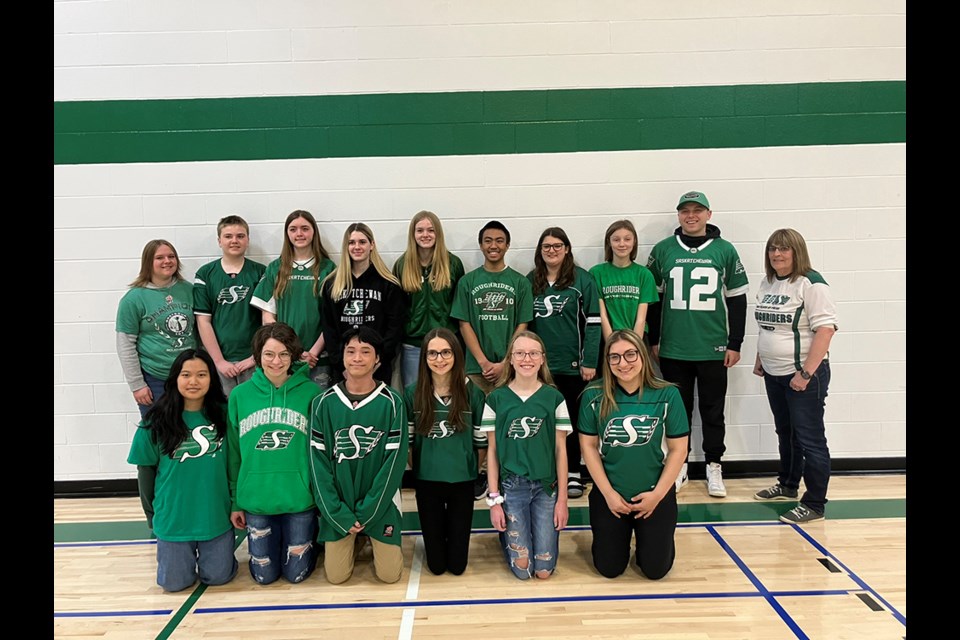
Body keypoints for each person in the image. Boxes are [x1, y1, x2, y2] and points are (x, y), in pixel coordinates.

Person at [646, 191, 749, 498]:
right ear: (679, 216)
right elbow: (653, 299)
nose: (691, 215)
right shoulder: (663, 250)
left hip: (712, 347)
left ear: (708, 214)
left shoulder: (725, 251)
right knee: (678, 412)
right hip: (674, 348)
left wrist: (735, 342)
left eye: (697, 210)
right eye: (685, 211)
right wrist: (653, 339)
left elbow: (738, 300)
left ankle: (714, 465)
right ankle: (679, 468)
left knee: (713, 411)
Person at [578, 330, 689, 580]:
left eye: (630, 354)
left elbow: (678, 449)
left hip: (653, 494)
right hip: (611, 495)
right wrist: (608, 494)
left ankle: (649, 540)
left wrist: (657, 496)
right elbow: (588, 448)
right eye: (614, 357)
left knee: (656, 570)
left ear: (643, 356)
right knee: (609, 569)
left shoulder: (667, 394)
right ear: (606, 361)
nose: (623, 363)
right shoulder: (593, 395)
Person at [127, 348, 238, 592]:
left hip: (214, 517)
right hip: (174, 519)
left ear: (212, 379)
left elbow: (235, 464)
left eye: (202, 375)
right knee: (174, 584)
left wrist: (235, 503)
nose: (193, 382)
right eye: (186, 374)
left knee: (219, 577)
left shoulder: (226, 414)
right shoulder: (155, 421)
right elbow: (145, 473)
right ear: (175, 378)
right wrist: (151, 515)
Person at [309, 327, 409, 584]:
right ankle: (354, 536)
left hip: (379, 504)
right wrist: (338, 513)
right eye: (351, 351)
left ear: (377, 359)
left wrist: (368, 511)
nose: (357, 358)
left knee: (389, 576)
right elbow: (318, 466)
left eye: (366, 352)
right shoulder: (323, 403)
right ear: (342, 357)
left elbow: (394, 464)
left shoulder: (392, 401)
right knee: (336, 577)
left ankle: (367, 535)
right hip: (339, 505)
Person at [753, 228, 838, 525]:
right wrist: (761, 357)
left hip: (803, 376)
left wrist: (805, 373)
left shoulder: (811, 284)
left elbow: (826, 330)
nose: (777, 254)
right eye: (773, 249)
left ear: (796, 251)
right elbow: (768, 326)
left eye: (784, 249)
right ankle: (788, 484)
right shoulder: (767, 282)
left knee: (810, 439)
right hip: (774, 374)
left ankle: (815, 503)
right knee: (785, 433)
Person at [227, 322, 321, 585]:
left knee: (296, 575)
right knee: (263, 576)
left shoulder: (312, 394)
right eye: (269, 354)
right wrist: (236, 501)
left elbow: (320, 452)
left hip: (299, 497)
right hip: (257, 498)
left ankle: (312, 544)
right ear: (258, 357)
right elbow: (234, 453)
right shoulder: (239, 395)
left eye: (283, 354)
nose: (276, 361)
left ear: (293, 355)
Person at [451, 220, 534, 500]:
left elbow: (523, 326)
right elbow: (464, 324)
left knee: (505, 423)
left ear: (507, 245)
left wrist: (505, 362)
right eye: (488, 240)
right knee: (475, 424)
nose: (493, 245)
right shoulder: (468, 282)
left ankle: (504, 473)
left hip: (509, 369)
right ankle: (476, 474)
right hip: (476, 368)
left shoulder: (520, 282)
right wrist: (484, 361)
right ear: (481, 245)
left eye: (499, 240)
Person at [481, 331, 570, 580]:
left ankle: (528, 532)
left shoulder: (554, 398)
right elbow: (493, 451)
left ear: (542, 359)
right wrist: (494, 500)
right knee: (523, 571)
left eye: (533, 353)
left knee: (543, 571)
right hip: (512, 487)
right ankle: (508, 532)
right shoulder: (496, 399)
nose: (526, 358)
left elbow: (561, 451)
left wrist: (562, 499)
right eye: (519, 353)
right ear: (510, 359)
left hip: (545, 487)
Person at [403, 328, 487, 576]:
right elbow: (409, 444)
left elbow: (481, 444)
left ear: (456, 355)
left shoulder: (473, 393)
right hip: (427, 480)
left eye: (446, 352)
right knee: (437, 566)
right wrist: (420, 468)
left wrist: (470, 468)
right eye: (432, 353)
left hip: (462, 480)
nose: (439, 359)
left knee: (458, 566)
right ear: (424, 358)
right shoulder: (412, 393)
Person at [526, 227, 601, 499]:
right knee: (543, 422)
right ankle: (548, 470)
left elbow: (593, 322)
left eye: (557, 246)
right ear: (540, 251)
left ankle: (572, 471)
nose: (552, 250)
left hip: (573, 367)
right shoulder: (531, 281)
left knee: (571, 422)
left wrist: (589, 360)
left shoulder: (583, 280)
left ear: (567, 249)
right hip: (539, 367)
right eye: (546, 246)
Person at [251, 210, 335, 389]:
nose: (299, 234)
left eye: (305, 228)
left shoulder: (328, 268)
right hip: (284, 357)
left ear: (314, 232)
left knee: (316, 407)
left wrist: (312, 352)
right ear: (287, 234)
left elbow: (332, 318)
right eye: (293, 229)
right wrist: (289, 350)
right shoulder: (276, 268)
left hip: (318, 358)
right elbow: (268, 318)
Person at [116, 239, 196, 418]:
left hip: (190, 376)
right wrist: (137, 385)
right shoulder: (134, 298)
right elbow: (125, 345)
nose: (167, 261)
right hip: (155, 379)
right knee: (158, 434)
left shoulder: (190, 290)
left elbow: (202, 331)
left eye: (171, 256)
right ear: (147, 263)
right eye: (159, 257)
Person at [321, 223, 407, 386]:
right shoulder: (332, 284)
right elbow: (329, 327)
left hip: (378, 368)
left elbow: (395, 328)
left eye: (362, 242)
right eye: (351, 242)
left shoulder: (388, 284)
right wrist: (341, 365)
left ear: (372, 245)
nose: (357, 247)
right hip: (343, 369)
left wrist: (378, 361)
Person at [193, 215, 267, 395]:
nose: (234, 241)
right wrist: (219, 361)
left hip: (254, 360)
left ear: (247, 240)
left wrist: (256, 357)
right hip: (220, 361)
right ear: (219, 241)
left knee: (253, 410)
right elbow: (203, 321)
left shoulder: (261, 272)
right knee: (225, 413)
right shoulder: (205, 274)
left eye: (240, 236)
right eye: (228, 236)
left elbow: (268, 319)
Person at [392, 210, 465, 388]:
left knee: (446, 392)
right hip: (413, 346)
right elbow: (397, 309)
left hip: (446, 344)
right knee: (414, 393)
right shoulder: (402, 265)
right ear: (413, 234)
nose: (425, 235)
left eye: (431, 230)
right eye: (420, 230)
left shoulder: (453, 264)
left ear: (438, 233)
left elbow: (459, 308)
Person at [589, 220, 658, 342]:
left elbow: (641, 319)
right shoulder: (596, 273)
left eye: (627, 239)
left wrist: (635, 346)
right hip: (608, 337)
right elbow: (602, 316)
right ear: (609, 242)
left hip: (637, 337)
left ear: (634, 241)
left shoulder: (644, 274)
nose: (622, 244)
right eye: (616, 239)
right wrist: (611, 345)